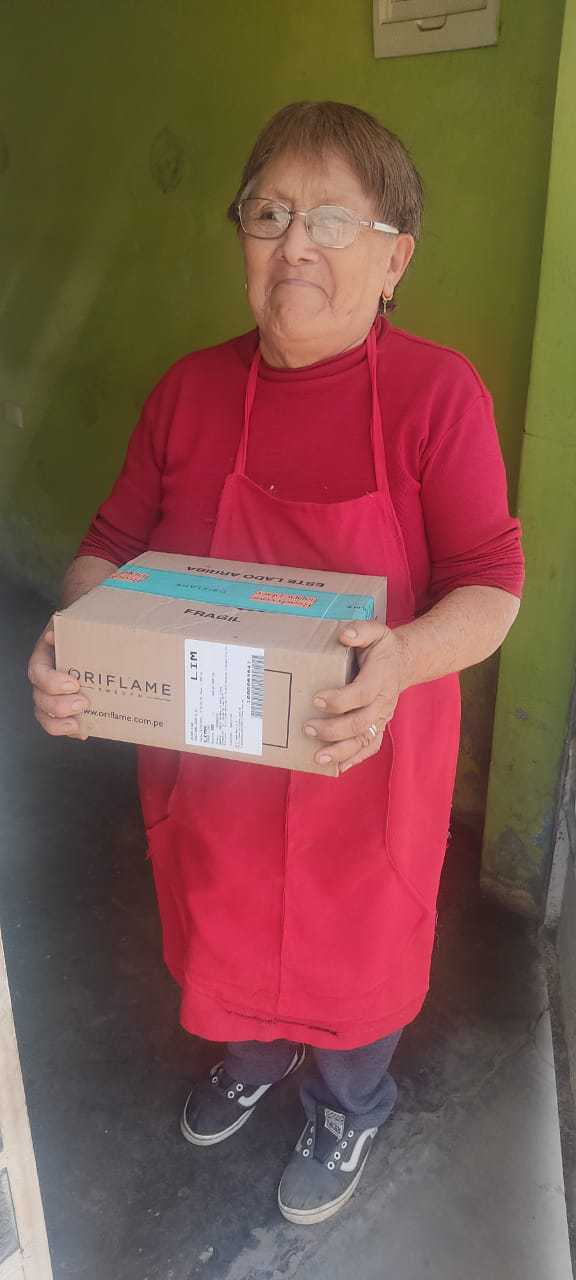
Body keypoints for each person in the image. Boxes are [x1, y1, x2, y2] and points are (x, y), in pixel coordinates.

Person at [28, 101, 524, 1226]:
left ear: (395, 260)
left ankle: (350, 1102)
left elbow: (493, 584)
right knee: (228, 935)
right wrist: (76, 643)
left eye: (333, 219)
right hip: (213, 763)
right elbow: (108, 545)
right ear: (244, 240)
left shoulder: (437, 395)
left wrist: (403, 657)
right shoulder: (189, 392)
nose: (296, 242)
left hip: (365, 760)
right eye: (269, 214)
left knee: (360, 960)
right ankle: (253, 1055)